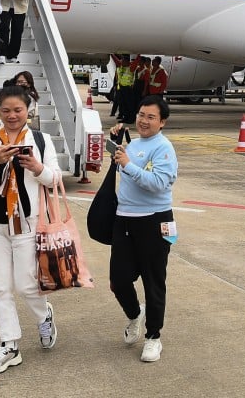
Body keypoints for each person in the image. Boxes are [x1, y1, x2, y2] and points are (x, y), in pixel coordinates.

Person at [0, 85, 62, 374]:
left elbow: (55, 177)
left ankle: (44, 316)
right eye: (5, 110)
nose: (12, 116)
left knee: (27, 284)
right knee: (1, 287)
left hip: (28, 224)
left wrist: (37, 167)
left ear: (28, 110)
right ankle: (10, 345)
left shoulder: (41, 140)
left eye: (18, 110)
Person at [107, 95, 178, 363]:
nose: (143, 120)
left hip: (155, 220)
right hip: (124, 219)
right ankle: (135, 314)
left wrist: (128, 164)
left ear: (162, 123)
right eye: (140, 114)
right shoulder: (133, 144)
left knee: (153, 281)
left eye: (151, 117)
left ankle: (153, 337)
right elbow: (121, 162)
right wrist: (114, 142)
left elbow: (158, 183)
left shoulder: (164, 148)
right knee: (118, 280)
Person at [114, 55, 135, 123]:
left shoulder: (131, 68)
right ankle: (125, 118)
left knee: (129, 104)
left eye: (123, 61)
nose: (121, 62)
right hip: (121, 88)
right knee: (123, 105)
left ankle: (131, 118)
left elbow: (136, 62)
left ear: (127, 62)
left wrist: (138, 54)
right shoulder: (121, 67)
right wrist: (112, 54)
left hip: (128, 88)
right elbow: (116, 61)